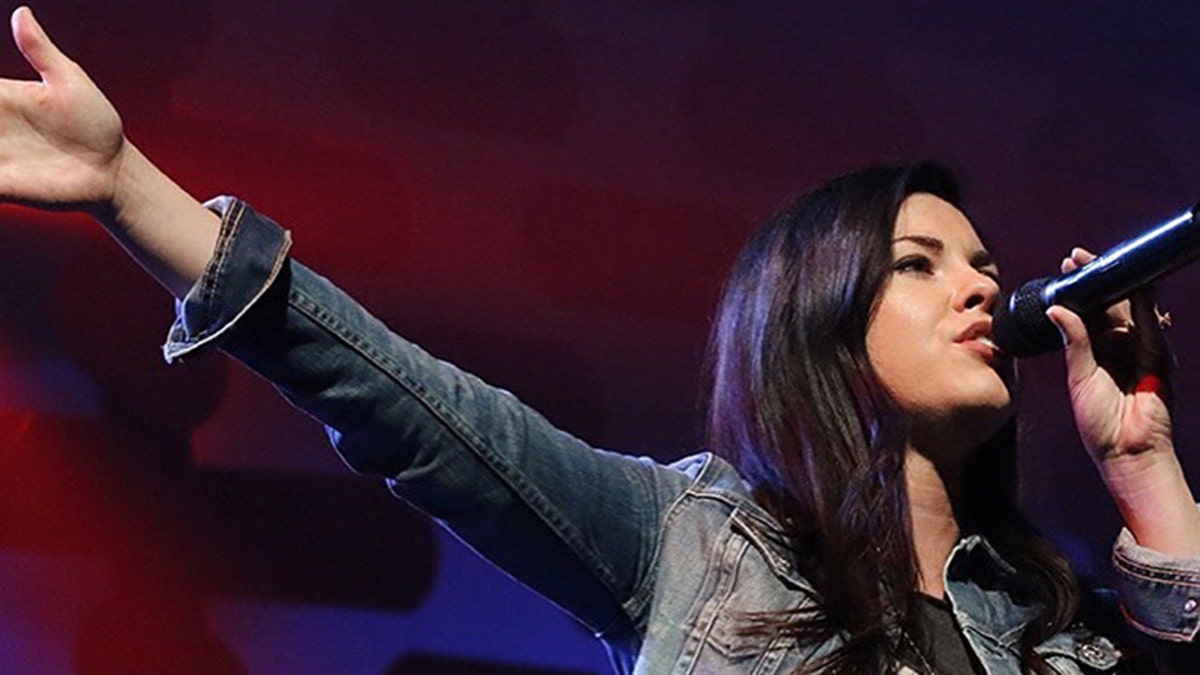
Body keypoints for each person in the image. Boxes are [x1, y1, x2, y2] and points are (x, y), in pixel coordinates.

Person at [1, 6, 1197, 673]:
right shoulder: (682, 541)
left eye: (988, 268)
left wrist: (1144, 468)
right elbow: (405, 407)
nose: (983, 291)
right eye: (919, 266)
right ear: (813, 319)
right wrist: (125, 186)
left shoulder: (1056, 626)